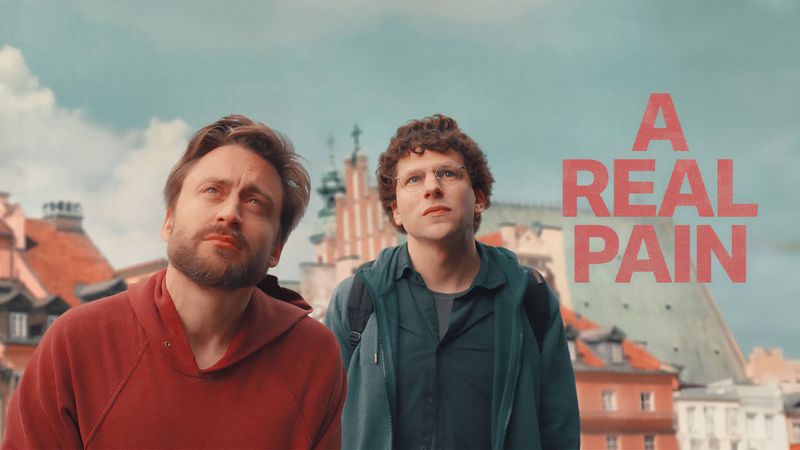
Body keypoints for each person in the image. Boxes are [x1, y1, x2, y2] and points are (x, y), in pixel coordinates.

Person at [4, 115, 346, 449]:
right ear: (169, 221)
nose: (229, 212)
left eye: (256, 202)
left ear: (276, 249)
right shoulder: (77, 341)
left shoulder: (313, 356)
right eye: (212, 190)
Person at [325, 114, 579, 450]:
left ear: (479, 198)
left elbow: (558, 431)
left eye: (447, 173)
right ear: (396, 211)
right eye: (413, 179)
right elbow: (324, 424)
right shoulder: (357, 301)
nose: (432, 187)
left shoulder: (529, 299)